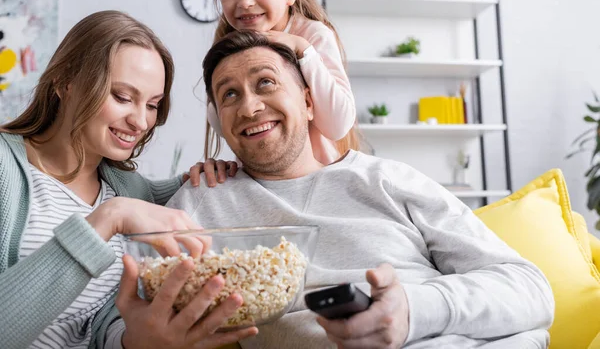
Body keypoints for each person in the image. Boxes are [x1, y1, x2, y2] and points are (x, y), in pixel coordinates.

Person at [167, 30, 555, 349]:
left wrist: (411, 311)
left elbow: (531, 290)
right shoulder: (203, 202)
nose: (249, 107)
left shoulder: (388, 179)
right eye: (229, 94)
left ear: (307, 102)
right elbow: (125, 319)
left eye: (265, 82)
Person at [0, 10, 257, 349]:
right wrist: (107, 219)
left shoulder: (132, 191)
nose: (140, 121)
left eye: (152, 104)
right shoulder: (7, 168)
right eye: (122, 97)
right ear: (64, 82)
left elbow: (99, 326)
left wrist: (133, 340)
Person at [204, 0, 358, 165]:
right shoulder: (228, 47)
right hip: (258, 177)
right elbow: (223, 125)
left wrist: (304, 52)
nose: (245, 2)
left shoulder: (312, 36)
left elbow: (337, 125)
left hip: (314, 175)